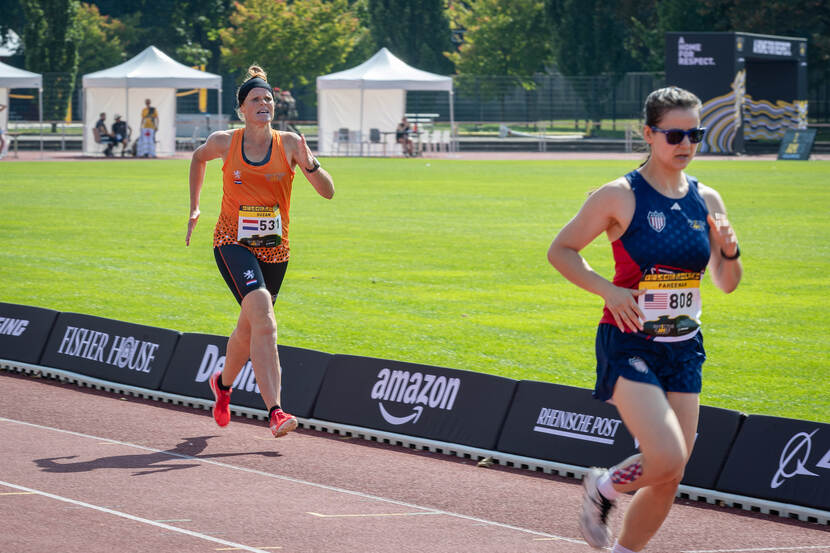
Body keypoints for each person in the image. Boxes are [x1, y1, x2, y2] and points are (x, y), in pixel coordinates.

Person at [546, 86, 742, 552]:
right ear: (649, 134)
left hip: (684, 346)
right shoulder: (620, 195)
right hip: (629, 341)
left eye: (695, 133)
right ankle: (603, 487)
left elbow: (727, 281)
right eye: (674, 135)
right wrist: (609, 291)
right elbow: (561, 250)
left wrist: (730, 249)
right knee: (666, 454)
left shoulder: (708, 199)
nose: (686, 145)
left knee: (671, 474)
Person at [185, 65, 335, 438]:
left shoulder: (287, 144)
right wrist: (195, 206)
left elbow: (328, 191)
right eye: (255, 99)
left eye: (268, 98)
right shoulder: (225, 142)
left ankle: (221, 385)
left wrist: (310, 161)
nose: (264, 103)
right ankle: (276, 411)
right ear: (242, 109)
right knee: (264, 318)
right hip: (231, 243)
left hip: (275, 250)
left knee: (248, 326)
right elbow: (197, 158)